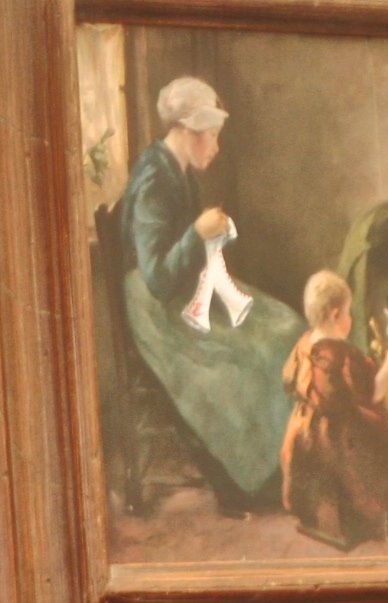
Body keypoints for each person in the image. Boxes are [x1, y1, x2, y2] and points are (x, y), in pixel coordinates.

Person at [113, 78, 302, 513]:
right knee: (254, 353)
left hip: (187, 290)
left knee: (285, 325)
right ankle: (252, 477)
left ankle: (289, 458)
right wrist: (197, 233)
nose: (215, 148)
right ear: (185, 130)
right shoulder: (153, 178)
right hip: (158, 308)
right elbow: (158, 278)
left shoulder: (177, 170)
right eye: (211, 135)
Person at [280, 271, 388, 550]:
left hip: (305, 428)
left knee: (317, 481)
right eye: (348, 312)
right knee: (380, 444)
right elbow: (373, 393)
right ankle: (363, 522)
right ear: (336, 314)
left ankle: (317, 523)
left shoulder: (304, 344)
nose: (350, 318)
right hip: (341, 434)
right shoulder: (345, 355)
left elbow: (289, 380)